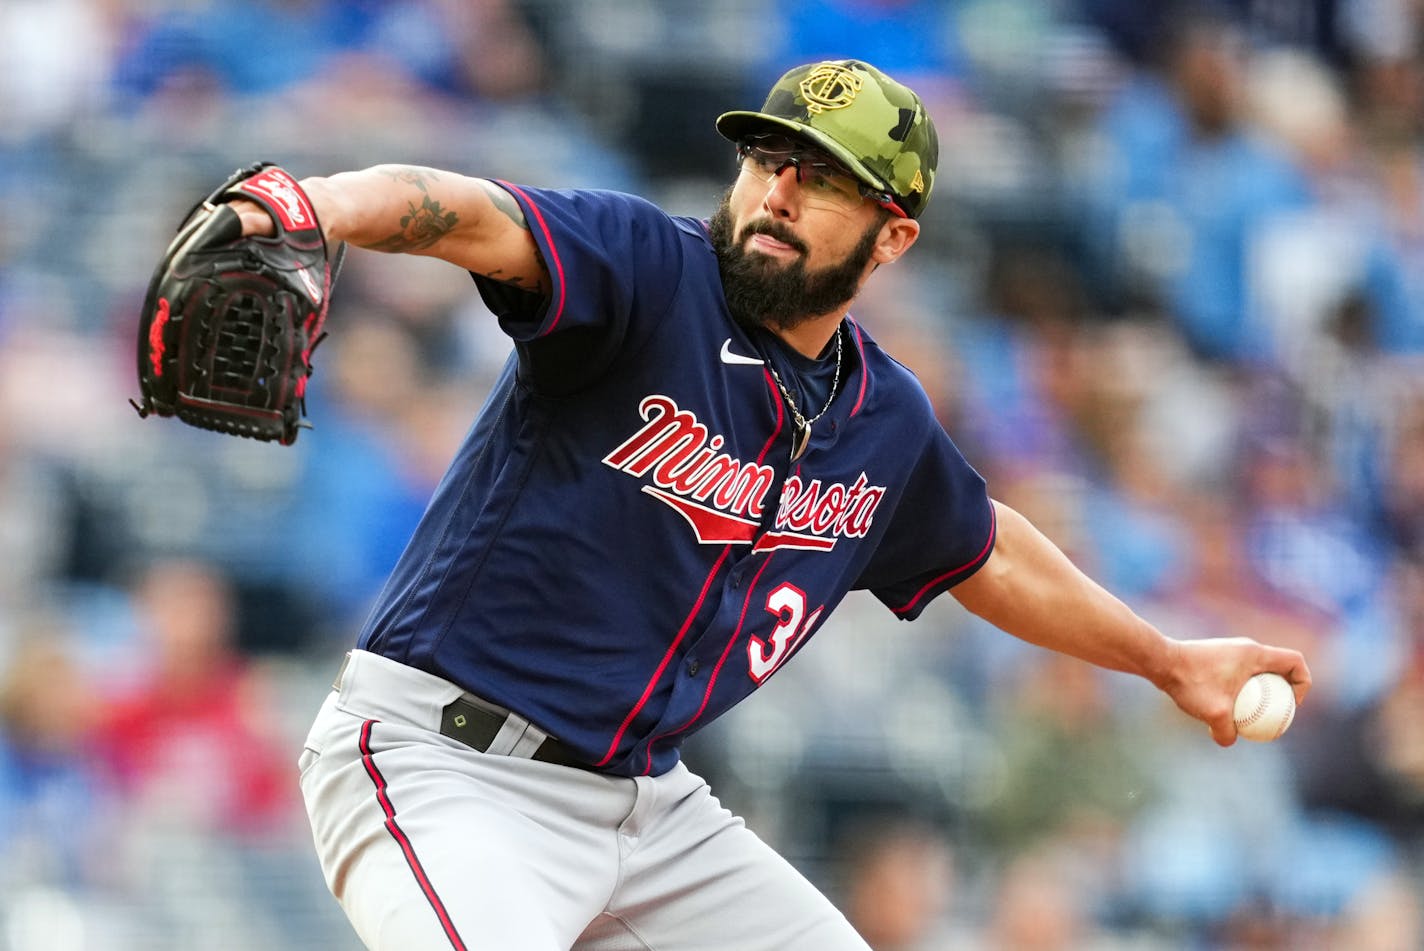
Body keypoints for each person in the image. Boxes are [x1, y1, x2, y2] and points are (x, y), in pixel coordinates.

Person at [236, 59, 1312, 950]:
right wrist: (322, 206)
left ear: (891, 236)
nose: (777, 194)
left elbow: (988, 551)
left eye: (822, 180)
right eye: (766, 159)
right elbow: (472, 213)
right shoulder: (645, 273)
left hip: (646, 806)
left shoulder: (877, 416)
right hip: (447, 767)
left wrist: (1166, 660)